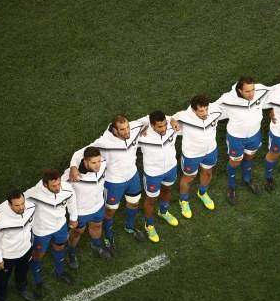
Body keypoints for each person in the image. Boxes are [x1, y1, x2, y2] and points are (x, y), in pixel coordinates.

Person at [0, 170, 78, 297]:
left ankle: (60, 271)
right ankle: (38, 281)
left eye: (59, 184)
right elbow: (14, 202)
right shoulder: (34, 193)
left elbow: (72, 201)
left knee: (60, 247)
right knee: (38, 255)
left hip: (61, 226)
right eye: (54, 186)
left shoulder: (66, 189)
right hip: (41, 231)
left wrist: (74, 217)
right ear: (45, 184)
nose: (58, 188)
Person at [69, 115, 146, 255]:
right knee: (110, 211)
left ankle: (130, 227)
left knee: (134, 203)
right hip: (114, 183)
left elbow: (147, 120)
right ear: (114, 130)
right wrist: (74, 167)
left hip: (133, 176)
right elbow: (80, 153)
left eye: (127, 127)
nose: (127, 131)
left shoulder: (134, 128)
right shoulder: (104, 142)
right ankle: (108, 236)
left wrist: (169, 121)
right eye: (122, 129)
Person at [215, 76, 269, 204]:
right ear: (240, 90)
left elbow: (279, 89)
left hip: (254, 136)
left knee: (249, 157)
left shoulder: (260, 91)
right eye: (247, 91)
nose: (252, 94)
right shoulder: (227, 99)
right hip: (236, 139)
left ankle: (247, 179)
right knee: (235, 162)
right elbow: (210, 108)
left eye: (253, 90)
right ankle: (232, 186)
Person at [171, 94, 225, 216]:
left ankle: (202, 193)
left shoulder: (215, 110)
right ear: (193, 109)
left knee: (208, 172)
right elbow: (170, 119)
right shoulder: (183, 116)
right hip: (191, 155)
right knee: (189, 178)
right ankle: (183, 201)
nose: (205, 112)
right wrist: (173, 120)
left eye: (206, 109)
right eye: (201, 110)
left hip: (210, 150)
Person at [0, 190, 37, 301]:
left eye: (22, 203)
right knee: (2, 279)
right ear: (9, 205)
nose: (21, 207)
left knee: (22, 272)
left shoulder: (31, 207)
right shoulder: (0, 221)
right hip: (8, 257)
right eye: (17, 205)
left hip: (26, 250)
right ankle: (2, 299)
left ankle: (22, 288)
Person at [137, 110, 180, 243]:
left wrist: (172, 118)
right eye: (159, 127)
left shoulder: (172, 126)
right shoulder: (142, 135)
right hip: (153, 174)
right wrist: (142, 125)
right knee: (151, 199)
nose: (163, 129)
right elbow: (131, 126)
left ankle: (163, 211)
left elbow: (184, 114)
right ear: (151, 125)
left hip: (171, 168)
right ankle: (149, 225)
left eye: (164, 125)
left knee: (167, 190)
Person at [65, 146, 111, 269]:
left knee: (97, 226)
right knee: (76, 233)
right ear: (85, 161)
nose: (97, 166)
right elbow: (59, 189)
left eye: (98, 161)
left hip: (98, 207)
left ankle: (97, 246)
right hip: (81, 212)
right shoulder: (72, 175)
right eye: (93, 163)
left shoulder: (102, 165)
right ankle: (71, 253)